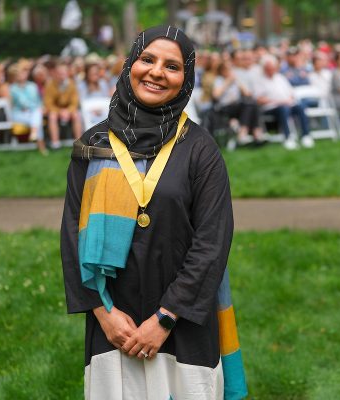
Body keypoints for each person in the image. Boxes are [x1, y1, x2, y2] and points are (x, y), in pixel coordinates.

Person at [60, 25, 246, 400]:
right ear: (130, 64)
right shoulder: (93, 145)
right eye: (148, 59)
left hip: (184, 327)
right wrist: (103, 314)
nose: (157, 72)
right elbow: (71, 237)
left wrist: (164, 319)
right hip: (114, 324)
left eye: (172, 66)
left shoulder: (200, 149)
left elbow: (212, 242)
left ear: (186, 79)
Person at [254, 54, 314, 150]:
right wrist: (278, 101)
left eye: (273, 68)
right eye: (269, 68)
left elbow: (290, 92)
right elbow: (259, 99)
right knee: (284, 109)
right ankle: (288, 138)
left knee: (301, 107)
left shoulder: (280, 77)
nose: (271, 70)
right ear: (264, 68)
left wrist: (289, 100)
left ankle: (305, 135)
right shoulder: (259, 80)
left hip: (287, 104)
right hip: (270, 107)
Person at [212, 60, 264, 145]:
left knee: (253, 103)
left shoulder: (235, 79)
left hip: (237, 106)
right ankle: (244, 134)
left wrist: (239, 83)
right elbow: (216, 95)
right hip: (224, 107)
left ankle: (256, 133)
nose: (230, 71)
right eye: (228, 69)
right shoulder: (219, 80)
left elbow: (247, 94)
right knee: (248, 105)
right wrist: (228, 82)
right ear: (222, 71)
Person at [9, 61, 47, 155]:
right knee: (37, 117)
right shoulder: (13, 88)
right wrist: (35, 107)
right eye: (19, 73)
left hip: (32, 112)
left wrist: (39, 107)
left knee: (36, 115)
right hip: (19, 114)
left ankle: (34, 134)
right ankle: (42, 147)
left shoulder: (32, 86)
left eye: (23, 72)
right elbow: (23, 103)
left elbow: (38, 100)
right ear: (15, 76)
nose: (22, 75)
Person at [43, 62, 82, 148]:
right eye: (59, 74)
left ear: (67, 73)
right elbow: (48, 103)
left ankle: (78, 142)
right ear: (55, 74)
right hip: (55, 109)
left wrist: (68, 111)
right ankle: (55, 143)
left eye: (63, 73)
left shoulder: (72, 84)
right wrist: (60, 111)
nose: (61, 76)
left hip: (69, 109)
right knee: (52, 116)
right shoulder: (50, 85)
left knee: (76, 115)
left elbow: (75, 102)